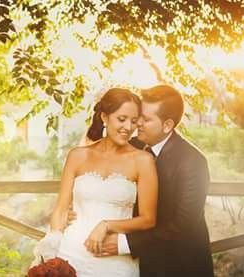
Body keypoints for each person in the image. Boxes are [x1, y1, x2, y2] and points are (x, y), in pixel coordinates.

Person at [71, 85, 214, 277]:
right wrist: (73, 210)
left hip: (179, 266)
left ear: (167, 125)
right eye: (139, 116)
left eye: (145, 119)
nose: (136, 123)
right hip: (139, 265)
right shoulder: (133, 145)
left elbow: (182, 226)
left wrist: (125, 243)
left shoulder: (192, 162)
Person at [31, 88, 158, 276]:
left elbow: (148, 220)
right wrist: (52, 250)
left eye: (133, 121)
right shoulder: (77, 156)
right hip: (71, 252)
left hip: (113, 257)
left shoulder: (143, 160)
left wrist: (106, 225)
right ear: (105, 117)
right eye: (121, 119)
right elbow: (60, 209)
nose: (128, 127)